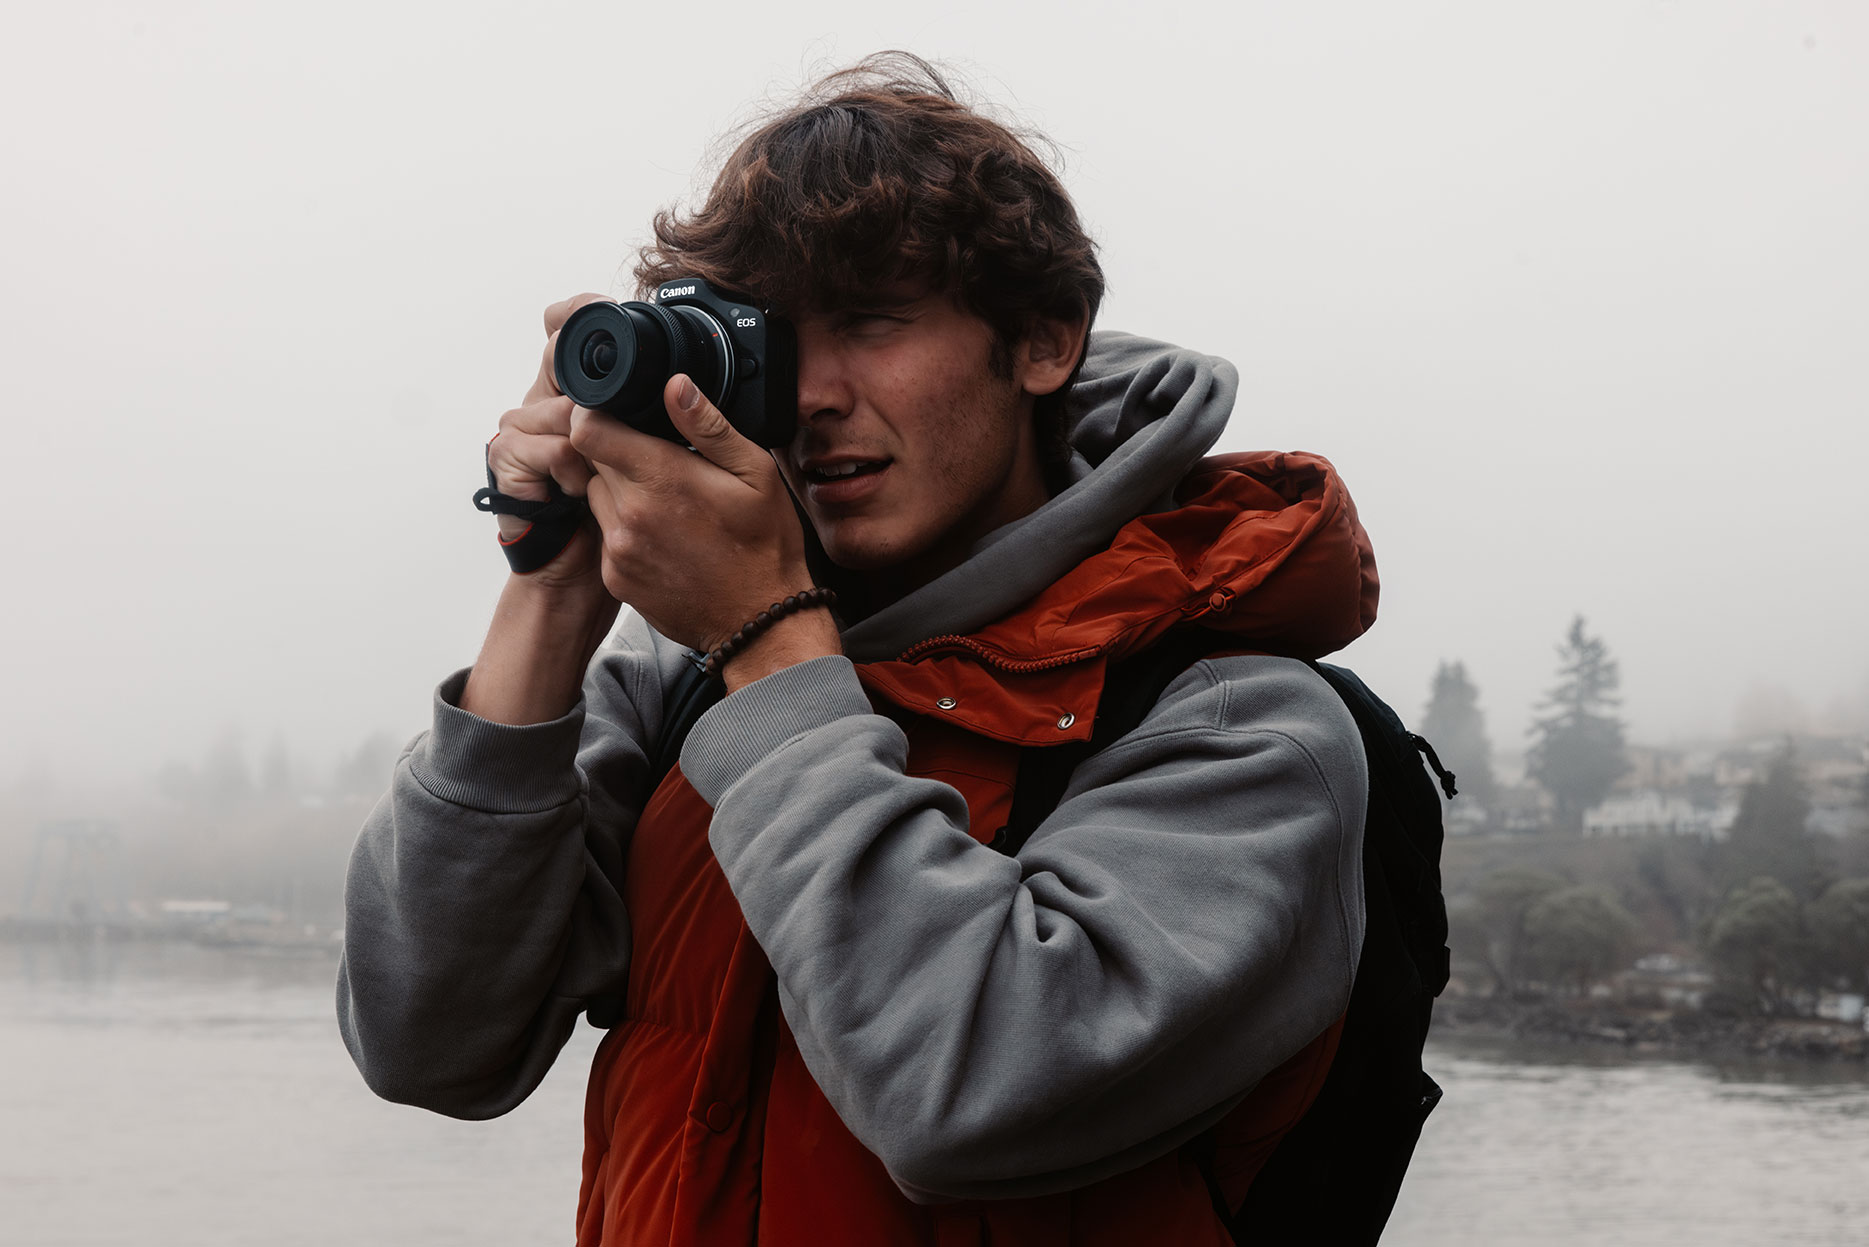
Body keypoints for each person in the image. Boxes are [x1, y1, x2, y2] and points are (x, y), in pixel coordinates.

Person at [338, 53, 1377, 1246]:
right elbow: (430, 1040)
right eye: (779, 341)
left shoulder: (1234, 724)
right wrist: (556, 586)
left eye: (874, 321)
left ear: (1044, 338)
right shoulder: (681, 692)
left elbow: (967, 1094)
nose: (814, 394)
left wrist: (762, 632)